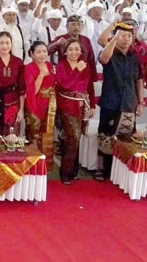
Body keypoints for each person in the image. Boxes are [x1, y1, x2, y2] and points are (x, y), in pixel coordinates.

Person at [96, 22, 144, 181]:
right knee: (106, 135)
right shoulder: (110, 52)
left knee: (127, 137)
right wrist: (114, 38)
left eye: (128, 36)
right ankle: (103, 169)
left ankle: (123, 169)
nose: (125, 39)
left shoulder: (134, 57)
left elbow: (139, 80)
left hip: (129, 102)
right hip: (111, 101)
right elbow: (103, 58)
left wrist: (140, 101)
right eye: (122, 35)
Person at [55, 38, 93, 185]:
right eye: (70, 49)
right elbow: (65, 84)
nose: (74, 52)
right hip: (66, 105)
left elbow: (89, 86)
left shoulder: (85, 65)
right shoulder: (61, 65)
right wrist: (77, 70)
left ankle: (73, 170)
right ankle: (65, 172)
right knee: (73, 138)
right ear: (65, 51)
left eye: (77, 49)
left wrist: (93, 106)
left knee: (75, 139)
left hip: (82, 105)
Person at [0, 31, 25, 135]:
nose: (5, 46)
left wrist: (21, 109)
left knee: (11, 133)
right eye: (1, 43)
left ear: (11, 44)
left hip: (13, 101)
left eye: (7, 43)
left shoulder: (18, 62)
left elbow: (21, 87)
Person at [24, 41, 56, 169]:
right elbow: (32, 90)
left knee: (47, 132)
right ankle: (32, 164)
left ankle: (45, 164)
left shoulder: (49, 65)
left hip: (50, 104)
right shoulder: (29, 67)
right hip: (35, 103)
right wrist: (41, 75)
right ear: (32, 54)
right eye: (38, 52)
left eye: (44, 51)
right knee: (34, 133)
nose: (42, 54)